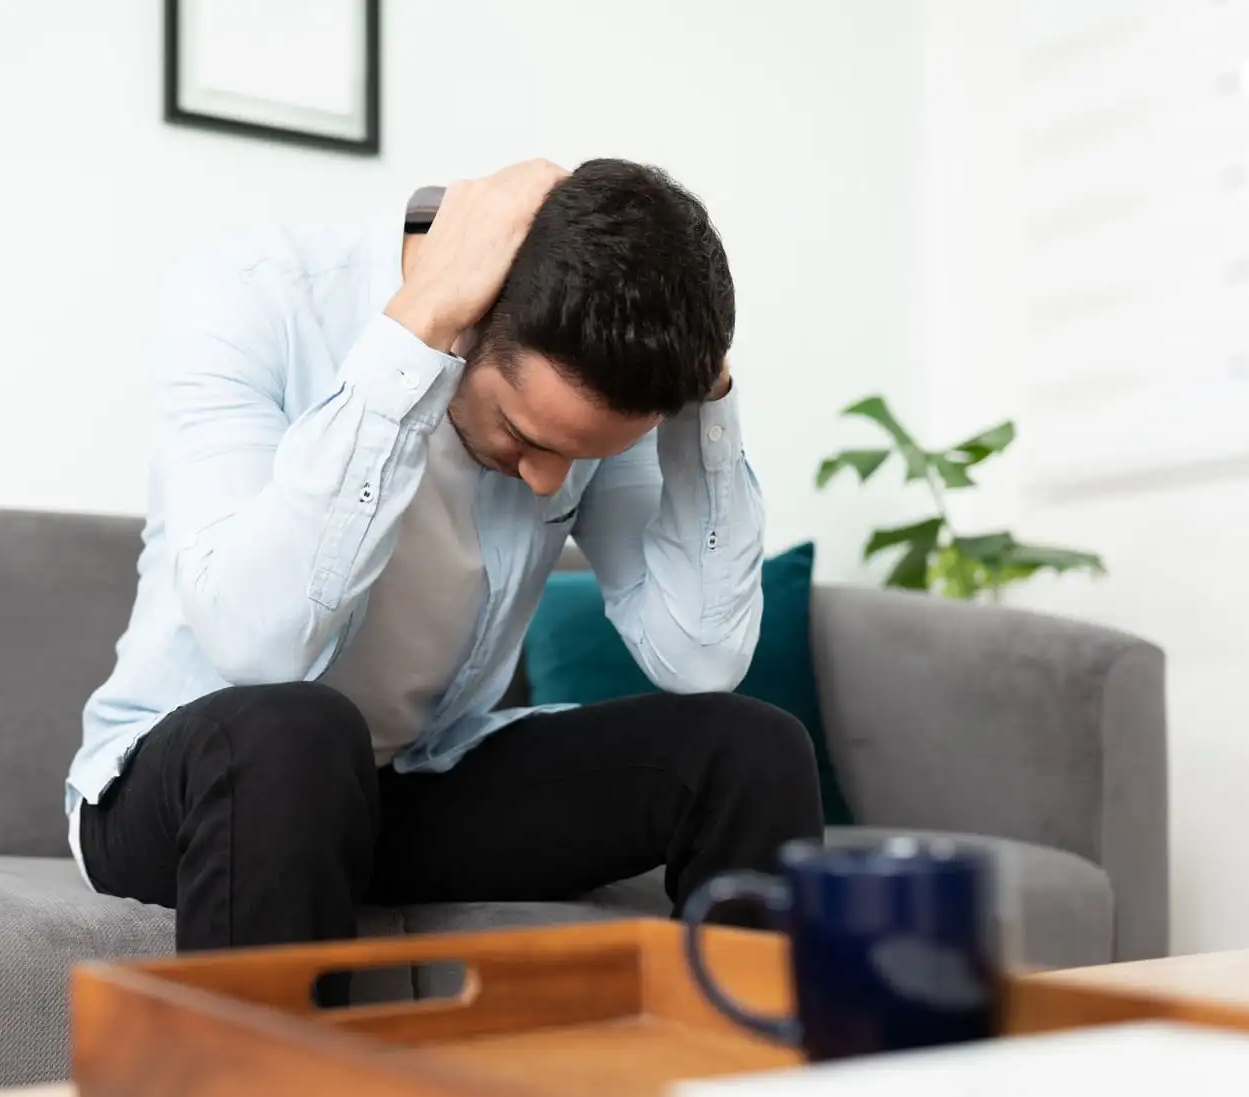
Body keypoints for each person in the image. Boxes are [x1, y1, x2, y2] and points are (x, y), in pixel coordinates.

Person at [66, 157, 823, 954]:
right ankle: (272, 1047)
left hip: (410, 788)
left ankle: (741, 1035)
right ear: (473, 319)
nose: (549, 480)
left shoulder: (582, 396)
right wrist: (416, 328)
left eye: (579, 457)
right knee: (299, 731)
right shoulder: (254, 296)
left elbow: (700, 658)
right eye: (523, 435)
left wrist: (706, 403)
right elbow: (259, 646)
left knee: (753, 748)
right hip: (208, 787)